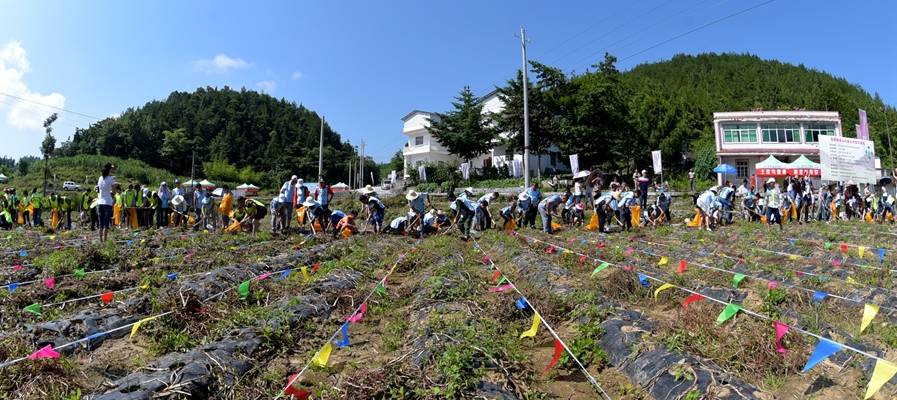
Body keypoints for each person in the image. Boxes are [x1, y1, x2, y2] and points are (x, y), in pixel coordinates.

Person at [97, 163, 116, 242]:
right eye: (111, 168)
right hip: (107, 202)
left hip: (100, 202)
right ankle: (105, 241)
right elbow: (114, 191)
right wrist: (112, 193)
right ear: (109, 170)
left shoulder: (100, 178)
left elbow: (98, 189)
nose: (112, 170)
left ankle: (100, 240)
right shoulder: (112, 178)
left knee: (101, 223)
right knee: (106, 223)